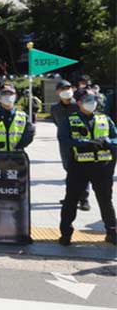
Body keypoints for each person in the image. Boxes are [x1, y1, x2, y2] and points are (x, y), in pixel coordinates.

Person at [57, 88, 117, 246]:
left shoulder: (104, 119)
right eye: (87, 101)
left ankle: (112, 232)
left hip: (102, 166)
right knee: (71, 200)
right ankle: (66, 233)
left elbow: (115, 138)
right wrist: (85, 144)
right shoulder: (70, 120)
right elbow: (64, 139)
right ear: (79, 103)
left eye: (93, 100)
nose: (92, 104)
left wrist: (108, 143)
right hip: (79, 166)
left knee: (105, 200)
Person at [50, 80, 90, 210]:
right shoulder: (55, 108)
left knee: (83, 170)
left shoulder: (79, 105)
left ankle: (84, 199)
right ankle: (71, 196)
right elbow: (57, 122)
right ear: (57, 92)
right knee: (69, 169)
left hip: (81, 142)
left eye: (68, 88)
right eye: (63, 89)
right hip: (65, 144)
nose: (66, 91)